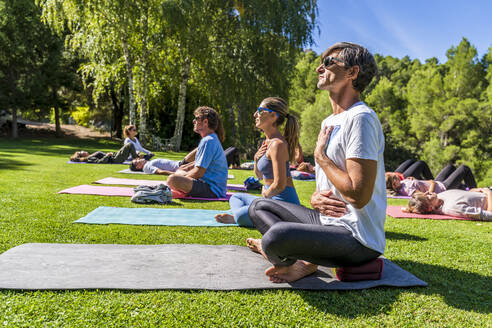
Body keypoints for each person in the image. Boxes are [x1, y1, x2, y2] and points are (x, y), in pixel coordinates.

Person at [246, 42, 385, 283]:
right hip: (327, 222)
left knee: (276, 236)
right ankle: (301, 260)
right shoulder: (329, 121)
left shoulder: (361, 118)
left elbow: (359, 195)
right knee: (258, 206)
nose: (319, 68)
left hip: (356, 236)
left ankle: (293, 257)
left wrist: (320, 157)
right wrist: (315, 198)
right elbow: (329, 186)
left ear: (352, 73)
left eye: (329, 63)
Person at [215, 97, 301, 226]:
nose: (255, 114)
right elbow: (260, 176)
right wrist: (256, 159)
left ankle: (239, 216)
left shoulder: (278, 144)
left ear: (273, 116)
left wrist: (263, 198)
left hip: (284, 204)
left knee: (240, 216)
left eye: (260, 111)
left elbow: (280, 184)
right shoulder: (267, 143)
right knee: (236, 197)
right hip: (269, 200)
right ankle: (249, 213)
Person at [166, 106, 228, 198]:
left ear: (205, 122)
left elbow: (199, 172)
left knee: (172, 179)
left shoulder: (209, 141)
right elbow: (199, 164)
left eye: (196, 118)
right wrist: (183, 171)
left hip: (212, 189)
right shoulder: (210, 139)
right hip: (211, 187)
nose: (193, 121)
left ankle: (181, 188)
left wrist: (182, 179)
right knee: (179, 171)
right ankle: (182, 188)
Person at [386, 163, 477, 196]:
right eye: (395, 178)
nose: (397, 176)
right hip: (443, 188)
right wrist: (432, 184)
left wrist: (414, 180)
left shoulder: (402, 183)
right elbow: (426, 196)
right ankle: (477, 193)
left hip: (438, 182)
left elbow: (420, 184)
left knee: (450, 167)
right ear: (394, 184)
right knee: (464, 169)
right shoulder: (407, 190)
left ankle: (463, 188)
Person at [404, 189, 492, 221]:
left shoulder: (440, 196)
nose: (427, 192)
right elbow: (489, 215)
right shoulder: (452, 208)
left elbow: (466, 195)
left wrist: (477, 190)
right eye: (427, 196)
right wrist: (488, 193)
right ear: (430, 208)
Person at [129, 149, 197, 175]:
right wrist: (175, 174)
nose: (138, 159)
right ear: (138, 167)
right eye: (136, 161)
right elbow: (159, 171)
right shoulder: (146, 167)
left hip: (180, 164)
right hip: (180, 166)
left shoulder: (148, 163)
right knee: (200, 149)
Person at [69, 143, 140, 164]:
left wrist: (109, 154)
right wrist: (107, 155)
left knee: (128, 145)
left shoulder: (90, 156)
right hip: (115, 160)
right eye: (82, 152)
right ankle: (136, 159)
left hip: (114, 156)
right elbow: (100, 162)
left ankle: (138, 158)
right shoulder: (89, 158)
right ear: (82, 155)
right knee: (129, 145)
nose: (84, 151)